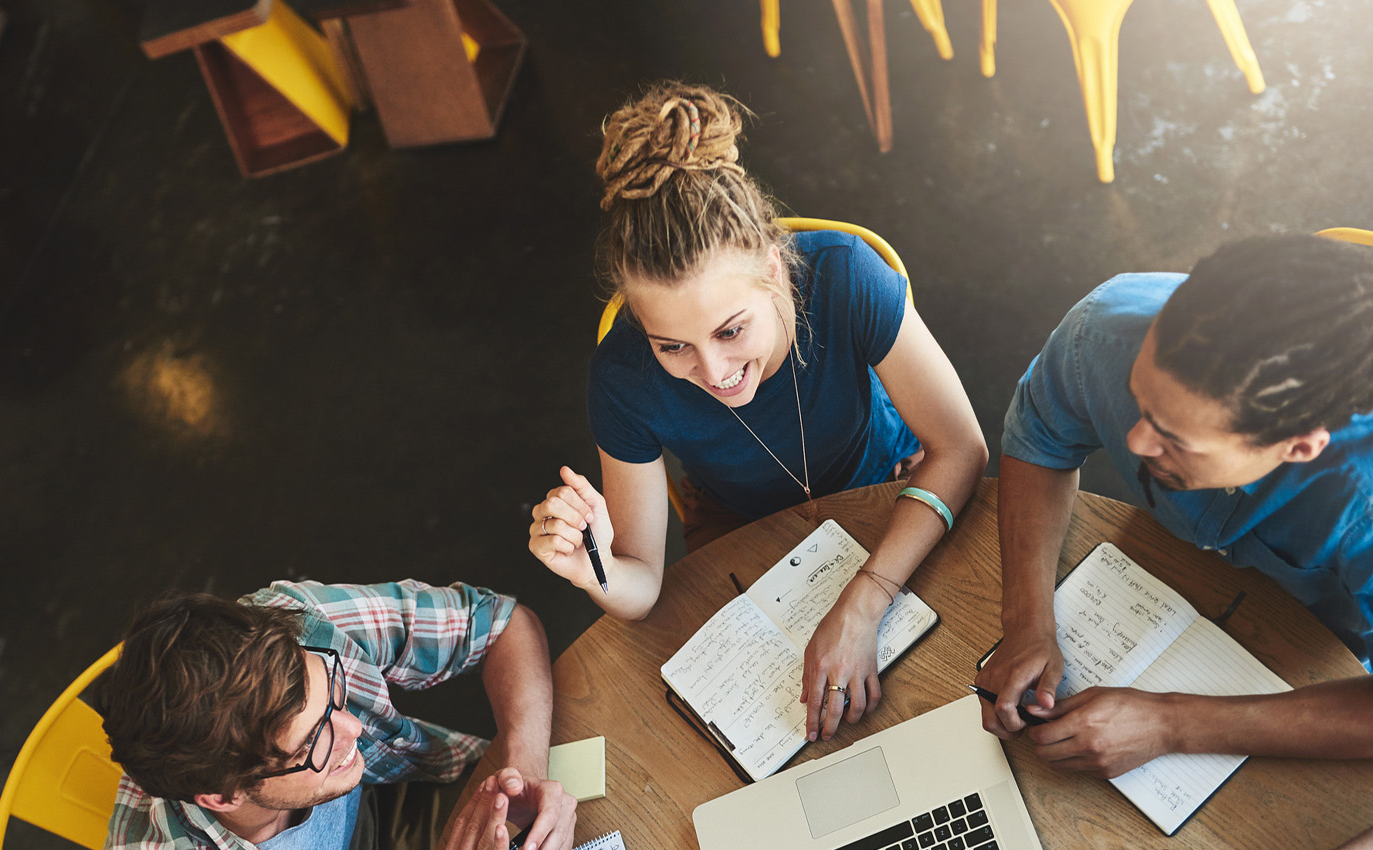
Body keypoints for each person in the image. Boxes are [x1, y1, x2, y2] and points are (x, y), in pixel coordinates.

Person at [525, 82, 988, 742]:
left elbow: (961, 450)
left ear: (774, 268)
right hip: (740, 526)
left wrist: (863, 601)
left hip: (885, 477)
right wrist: (591, 566)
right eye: (672, 346)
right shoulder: (623, 378)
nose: (713, 374)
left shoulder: (845, 279)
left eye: (731, 330)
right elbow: (643, 585)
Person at [976, 234, 1373, 778]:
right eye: (1140, 399)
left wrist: (1172, 725)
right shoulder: (1107, 329)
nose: (1135, 442)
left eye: (1174, 438)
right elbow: (1042, 441)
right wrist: (1026, 621)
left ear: (1299, 448)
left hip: (1324, 669)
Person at [100, 579, 577, 850]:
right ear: (223, 797)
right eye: (312, 744)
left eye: (330, 691)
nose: (354, 727)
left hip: (409, 800)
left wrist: (524, 770)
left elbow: (500, 622)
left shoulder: (296, 623)